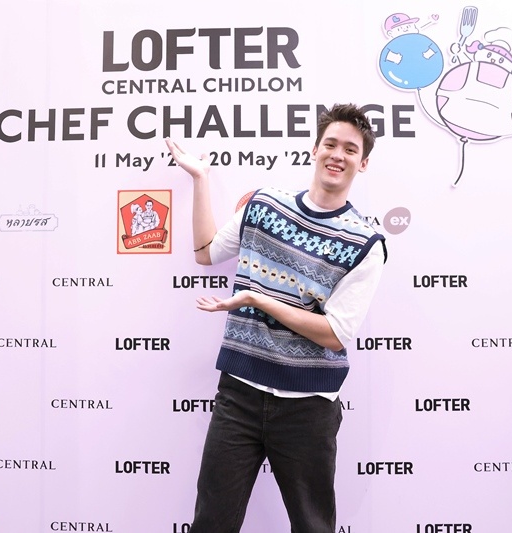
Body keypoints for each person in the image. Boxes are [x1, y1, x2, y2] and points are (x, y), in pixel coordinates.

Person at [165, 103, 387, 533]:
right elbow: (206, 252)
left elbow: (335, 334)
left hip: (309, 409)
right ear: (315, 150)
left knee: (312, 526)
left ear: (363, 163)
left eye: (350, 149)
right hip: (239, 395)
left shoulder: (366, 242)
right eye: (330, 144)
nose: (337, 155)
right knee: (211, 523)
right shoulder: (265, 205)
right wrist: (200, 179)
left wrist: (259, 299)